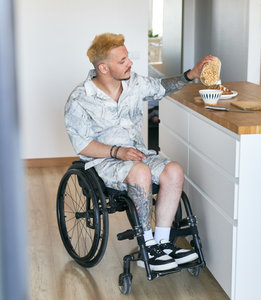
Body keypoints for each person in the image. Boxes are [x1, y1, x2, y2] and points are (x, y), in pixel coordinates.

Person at [64, 33, 214, 271]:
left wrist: (191, 75)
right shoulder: (80, 99)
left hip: (139, 155)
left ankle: (162, 244)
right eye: (122, 60)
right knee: (141, 173)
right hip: (106, 162)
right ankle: (146, 245)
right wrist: (117, 151)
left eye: (128, 58)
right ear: (103, 67)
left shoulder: (133, 83)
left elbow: (161, 88)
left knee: (174, 170)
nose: (130, 63)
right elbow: (82, 145)